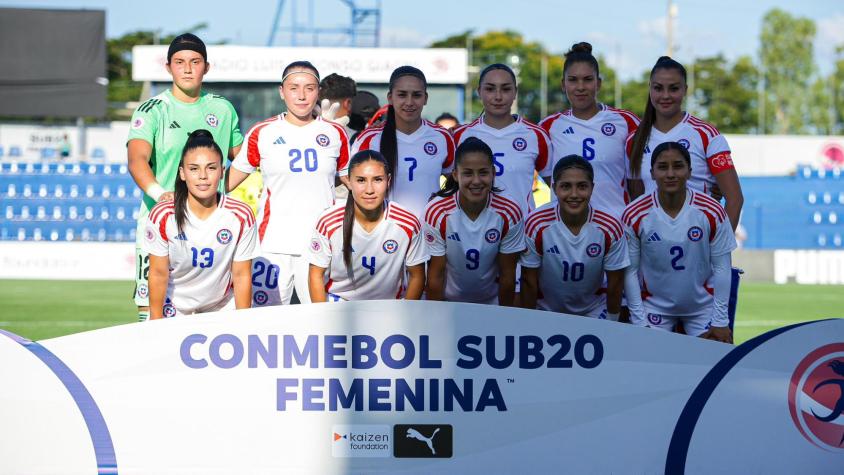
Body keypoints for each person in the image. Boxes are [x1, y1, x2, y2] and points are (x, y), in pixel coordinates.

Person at [127, 33, 244, 322]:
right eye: (180, 62)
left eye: (195, 62)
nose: (188, 68)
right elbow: (136, 159)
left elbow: (243, 159)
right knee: (151, 312)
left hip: (211, 227)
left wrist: (221, 192)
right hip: (163, 223)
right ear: (168, 68)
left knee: (215, 310)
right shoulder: (153, 110)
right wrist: (160, 194)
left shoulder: (222, 108)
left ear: (207, 67)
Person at [227, 60, 350, 306]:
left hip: (319, 246)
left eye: (309, 88)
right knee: (266, 323)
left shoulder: (335, 134)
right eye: (294, 88)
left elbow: (355, 183)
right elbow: (226, 183)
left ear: (319, 92)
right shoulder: (263, 132)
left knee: (321, 324)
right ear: (282, 92)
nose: (302, 96)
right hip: (271, 246)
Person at [622, 142, 736, 342]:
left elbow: (722, 268)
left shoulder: (711, 210)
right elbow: (630, 272)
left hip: (702, 307)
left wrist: (720, 321)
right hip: (655, 306)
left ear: (690, 172)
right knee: (651, 366)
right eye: (663, 167)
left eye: (678, 166)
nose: (671, 174)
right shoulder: (634, 213)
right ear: (652, 172)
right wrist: (639, 321)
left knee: (711, 366)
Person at [143, 130, 256, 319]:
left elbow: (241, 275)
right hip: (174, 308)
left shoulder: (240, 215)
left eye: (211, 168)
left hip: (221, 307)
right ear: (182, 173)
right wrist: (156, 322)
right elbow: (158, 273)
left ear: (222, 171)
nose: (203, 176)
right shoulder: (163, 214)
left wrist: (242, 323)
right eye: (194, 169)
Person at [626, 56, 744, 231]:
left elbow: (735, 199)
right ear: (650, 89)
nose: (665, 95)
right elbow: (636, 202)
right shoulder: (634, 140)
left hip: (698, 244)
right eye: (658, 88)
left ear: (685, 90)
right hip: (653, 247)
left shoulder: (706, 135)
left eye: (673, 88)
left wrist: (717, 247)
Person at [308, 150, 428, 302]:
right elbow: (315, 274)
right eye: (361, 180)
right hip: (339, 308)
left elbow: (417, 276)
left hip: (390, 309)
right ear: (349, 181)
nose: (369, 190)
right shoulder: (329, 221)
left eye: (377, 180)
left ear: (388, 180)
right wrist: (324, 321)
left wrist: (405, 317)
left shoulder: (407, 222)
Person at [520, 155, 628, 319]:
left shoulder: (609, 225)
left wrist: (613, 323)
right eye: (566, 186)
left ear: (592, 188)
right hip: (546, 310)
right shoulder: (536, 224)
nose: (574, 194)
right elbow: (529, 281)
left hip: (594, 309)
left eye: (582, 186)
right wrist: (529, 321)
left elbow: (616, 282)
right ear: (554, 188)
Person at [540, 42, 639, 217]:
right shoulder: (548, 127)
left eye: (587, 79)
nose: (580, 87)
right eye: (573, 80)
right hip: (564, 229)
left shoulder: (626, 121)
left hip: (617, 224)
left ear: (598, 83)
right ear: (563, 84)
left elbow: (637, 181)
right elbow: (553, 181)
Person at [424, 137, 525, 305]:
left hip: (491, 303)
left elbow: (508, 275)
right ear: (455, 175)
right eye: (468, 173)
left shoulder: (509, 211)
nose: (476, 181)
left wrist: (505, 317)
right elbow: (436, 275)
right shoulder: (437, 211)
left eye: (483, 172)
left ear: (493, 173)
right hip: (450, 303)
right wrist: (437, 317)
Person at [346, 66, 455, 220]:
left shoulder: (441, 136)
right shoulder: (369, 139)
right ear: (390, 98)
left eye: (416, 95)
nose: (409, 102)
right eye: (402, 95)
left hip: (431, 234)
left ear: (425, 98)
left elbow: (455, 185)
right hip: (385, 235)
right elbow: (355, 188)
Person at [453, 63, 552, 216]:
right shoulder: (460, 135)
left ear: (515, 92)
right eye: (490, 89)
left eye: (506, 89)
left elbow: (558, 185)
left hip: (522, 232)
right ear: (479, 92)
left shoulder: (535, 135)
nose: (498, 96)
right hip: (474, 232)